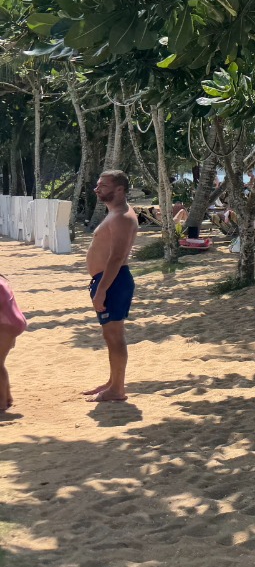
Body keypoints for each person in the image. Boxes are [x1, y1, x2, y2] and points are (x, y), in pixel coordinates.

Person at [84, 169, 140, 403]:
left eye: (103, 186)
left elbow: (116, 257)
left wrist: (102, 290)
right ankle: (112, 382)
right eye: (98, 185)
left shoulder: (122, 217)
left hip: (113, 282)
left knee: (115, 336)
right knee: (110, 335)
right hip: (109, 281)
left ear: (120, 189)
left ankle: (117, 389)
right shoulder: (114, 214)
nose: (97, 189)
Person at [0, 273, 29, 413]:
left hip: (7, 323)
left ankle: (1, 403)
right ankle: (7, 397)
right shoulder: (1, 281)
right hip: (13, 321)